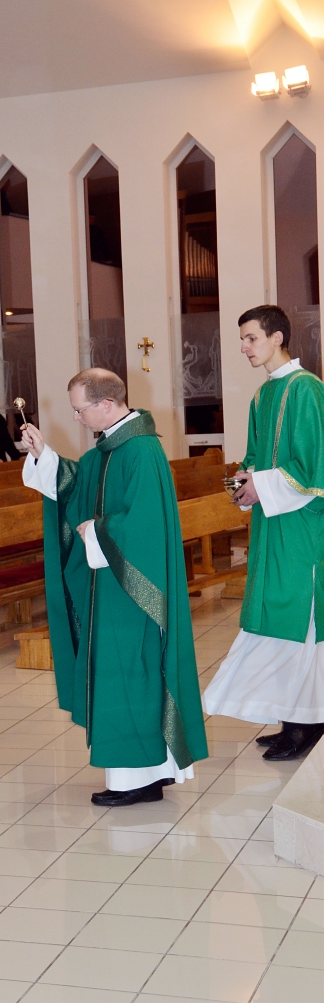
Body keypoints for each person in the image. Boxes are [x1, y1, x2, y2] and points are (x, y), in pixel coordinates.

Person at [22, 368, 207, 805]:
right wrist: (43, 454)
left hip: (133, 591)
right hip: (110, 584)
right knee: (121, 674)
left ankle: (138, 780)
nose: (77, 418)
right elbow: (75, 486)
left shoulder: (141, 450)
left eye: (80, 409)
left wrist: (96, 531)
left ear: (106, 404)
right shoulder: (107, 450)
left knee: (130, 673)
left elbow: (144, 525)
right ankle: (148, 773)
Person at [204, 305, 324, 760]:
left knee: (301, 619)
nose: (243, 347)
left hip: (303, 528)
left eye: (251, 338)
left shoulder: (307, 389)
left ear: (277, 337)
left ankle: (307, 722)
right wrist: (244, 483)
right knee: (275, 618)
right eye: (242, 339)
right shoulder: (262, 395)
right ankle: (293, 717)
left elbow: (313, 467)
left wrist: (264, 485)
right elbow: (256, 456)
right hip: (273, 524)